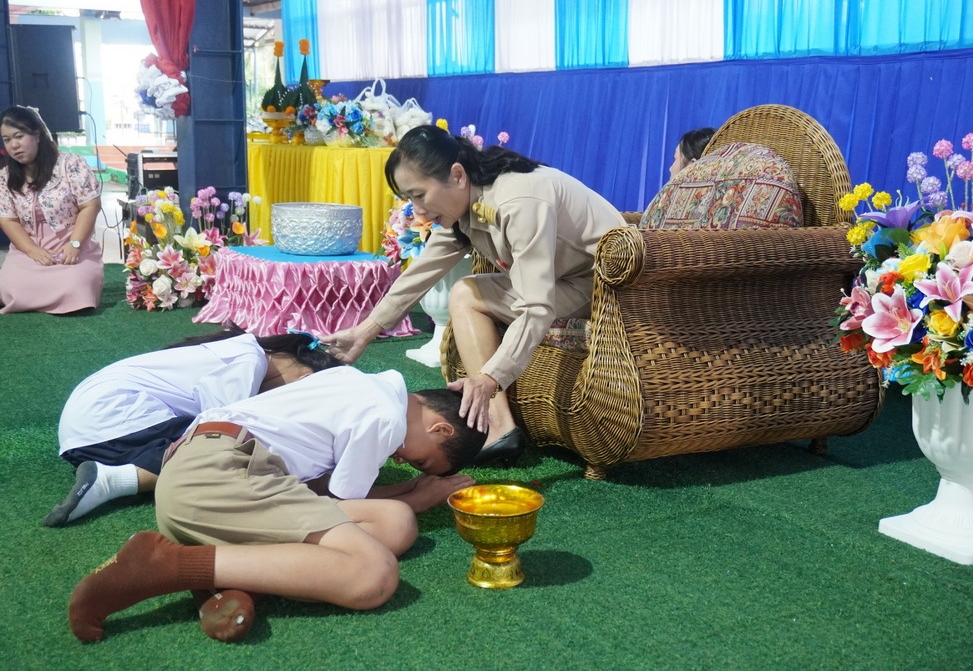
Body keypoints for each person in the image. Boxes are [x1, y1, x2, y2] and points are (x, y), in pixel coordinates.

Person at [67, 365, 483, 643]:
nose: (404, 463)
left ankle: (236, 582)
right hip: (218, 477)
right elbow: (341, 497)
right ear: (440, 429)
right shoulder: (384, 417)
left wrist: (408, 499)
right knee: (373, 574)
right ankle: (165, 565)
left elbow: (323, 495)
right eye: (421, 461)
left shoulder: (363, 385)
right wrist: (419, 495)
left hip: (213, 477)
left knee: (395, 523)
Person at [324, 124, 626, 465]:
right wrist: (365, 332)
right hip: (565, 281)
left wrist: (489, 378)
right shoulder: (468, 201)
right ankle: (500, 428)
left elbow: (536, 307)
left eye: (419, 195)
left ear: (456, 175)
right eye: (409, 199)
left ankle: (497, 426)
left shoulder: (518, 202)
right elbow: (421, 273)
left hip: (605, 290)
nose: (417, 211)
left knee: (466, 294)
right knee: (466, 291)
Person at [45, 327, 341, 527]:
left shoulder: (237, 349)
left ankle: (114, 478)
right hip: (113, 423)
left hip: (86, 437)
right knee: (223, 449)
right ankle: (111, 481)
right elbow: (222, 425)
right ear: (303, 371)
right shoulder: (249, 360)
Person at [0, 105, 103, 314]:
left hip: (72, 246)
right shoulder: (5, 176)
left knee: (76, 285)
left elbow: (90, 205)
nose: (14, 145)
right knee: (11, 286)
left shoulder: (71, 164)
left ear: (37, 134)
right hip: (28, 249)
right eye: (7, 140)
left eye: (19, 136)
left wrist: (75, 244)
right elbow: (8, 220)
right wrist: (32, 251)